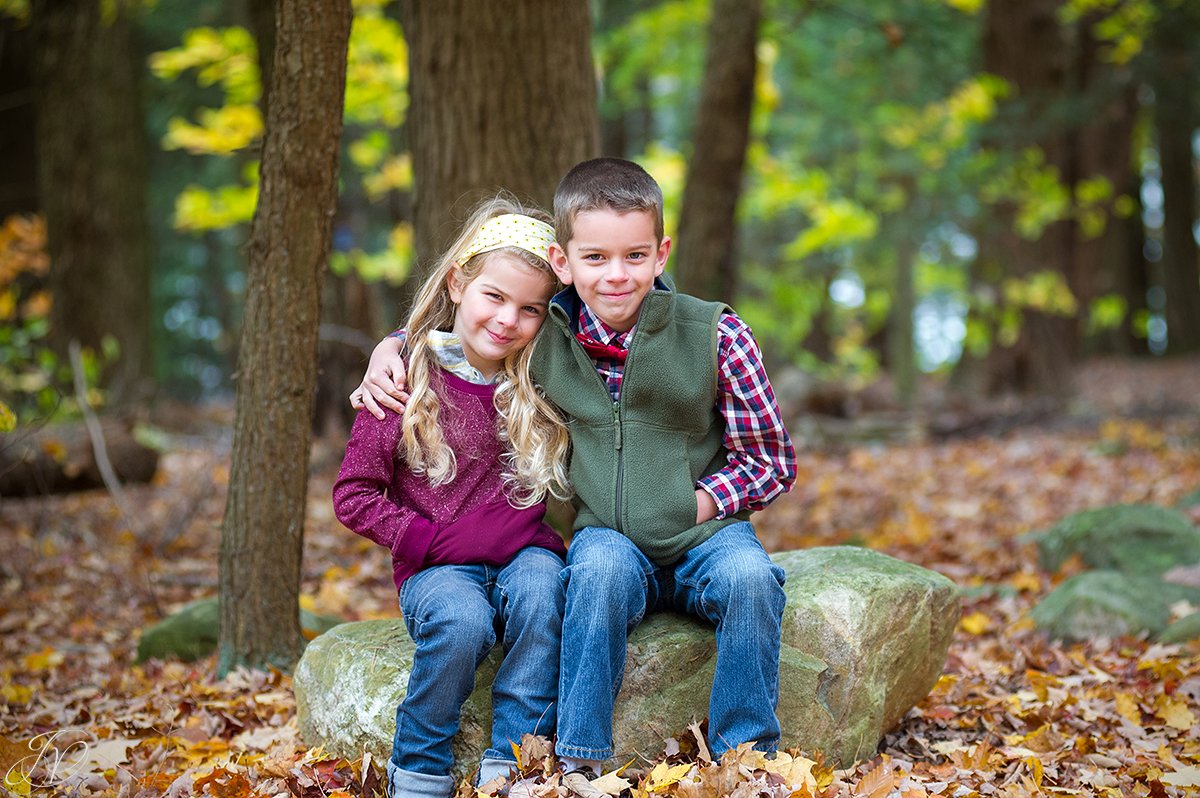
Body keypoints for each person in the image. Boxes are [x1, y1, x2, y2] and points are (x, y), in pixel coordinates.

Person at [353, 158, 797, 792]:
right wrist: (392, 347)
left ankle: (747, 757)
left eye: (634, 256)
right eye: (594, 258)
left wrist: (696, 505)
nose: (615, 275)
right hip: (607, 535)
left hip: (707, 533)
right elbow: (470, 335)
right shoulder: (545, 334)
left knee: (753, 580)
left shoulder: (716, 335)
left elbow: (771, 461)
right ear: (564, 263)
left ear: (661, 253)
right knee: (591, 572)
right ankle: (580, 759)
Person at [333, 197, 571, 798]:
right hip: (437, 567)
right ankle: (418, 770)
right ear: (457, 282)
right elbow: (353, 494)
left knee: (545, 597)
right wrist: (425, 540)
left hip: (525, 556)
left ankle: (514, 763)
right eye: (494, 296)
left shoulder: (540, 379)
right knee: (463, 623)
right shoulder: (404, 380)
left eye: (530, 309)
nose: (507, 320)